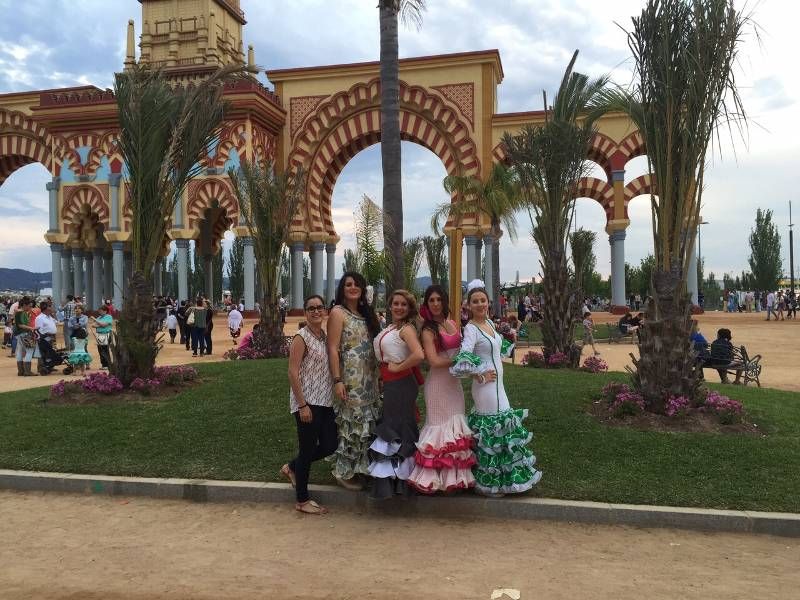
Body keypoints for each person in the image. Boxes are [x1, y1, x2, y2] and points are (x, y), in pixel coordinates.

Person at [451, 280, 542, 497]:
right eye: (475, 301)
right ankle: (489, 482)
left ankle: (504, 478)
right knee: (493, 428)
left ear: (488, 303)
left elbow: (497, 350)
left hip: (498, 386)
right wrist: (479, 374)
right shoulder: (471, 329)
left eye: (483, 300)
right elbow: (461, 362)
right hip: (485, 388)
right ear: (468, 306)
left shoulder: (490, 324)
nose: (480, 304)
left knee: (504, 425)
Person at [408, 285, 476, 494]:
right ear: (426, 304)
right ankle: (432, 479)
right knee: (439, 429)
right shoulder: (428, 330)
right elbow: (435, 361)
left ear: (444, 301)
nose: (435, 304)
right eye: (431, 300)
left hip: (453, 384)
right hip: (437, 384)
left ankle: (454, 478)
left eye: (438, 299)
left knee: (455, 430)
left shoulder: (452, 323)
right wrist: (460, 359)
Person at [281, 295, 338, 515]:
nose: (316, 311)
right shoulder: (301, 337)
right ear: (305, 312)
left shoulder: (325, 337)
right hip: (306, 402)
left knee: (330, 444)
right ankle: (302, 500)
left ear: (324, 311)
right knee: (307, 449)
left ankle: (292, 467)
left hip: (324, 401)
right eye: (310, 308)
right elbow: (292, 372)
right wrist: (302, 405)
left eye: (319, 308)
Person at [326, 271, 381, 491]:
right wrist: (337, 379)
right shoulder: (338, 313)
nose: (352, 287)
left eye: (357, 284)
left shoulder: (367, 314)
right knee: (351, 425)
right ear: (342, 289)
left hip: (370, 379)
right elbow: (332, 347)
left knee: (366, 426)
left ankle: (361, 468)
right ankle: (343, 471)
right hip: (350, 379)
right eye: (348, 284)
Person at [368, 289, 425, 499]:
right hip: (392, 385)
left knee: (399, 429)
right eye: (396, 304)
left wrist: (397, 368)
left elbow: (419, 354)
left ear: (409, 308)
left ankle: (402, 483)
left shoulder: (407, 329)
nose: (399, 307)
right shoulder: (392, 327)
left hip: (401, 384)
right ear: (390, 306)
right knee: (394, 428)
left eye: (404, 304)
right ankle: (395, 482)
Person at [14, 297, 37, 376]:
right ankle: (27, 371)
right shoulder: (21, 312)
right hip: (23, 334)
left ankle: (21, 371)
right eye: (29, 306)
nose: (30, 308)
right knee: (29, 351)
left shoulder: (19, 312)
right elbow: (21, 325)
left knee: (20, 351)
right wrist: (32, 328)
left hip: (19, 334)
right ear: (24, 305)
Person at [34, 301, 58, 375]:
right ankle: (42, 367)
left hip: (52, 337)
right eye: (50, 306)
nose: (51, 308)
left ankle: (50, 366)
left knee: (51, 352)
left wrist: (53, 314)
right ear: (45, 308)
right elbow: (39, 329)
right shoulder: (40, 318)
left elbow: (57, 321)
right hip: (45, 337)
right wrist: (44, 337)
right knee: (43, 353)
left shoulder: (50, 317)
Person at [91, 305, 114, 370]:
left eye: (100, 310)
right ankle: (103, 364)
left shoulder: (109, 317)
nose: (99, 312)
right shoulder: (99, 317)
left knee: (105, 349)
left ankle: (108, 364)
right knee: (100, 350)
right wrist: (100, 324)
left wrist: (96, 320)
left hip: (106, 334)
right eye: (99, 310)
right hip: (99, 335)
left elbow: (104, 325)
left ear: (105, 311)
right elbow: (93, 325)